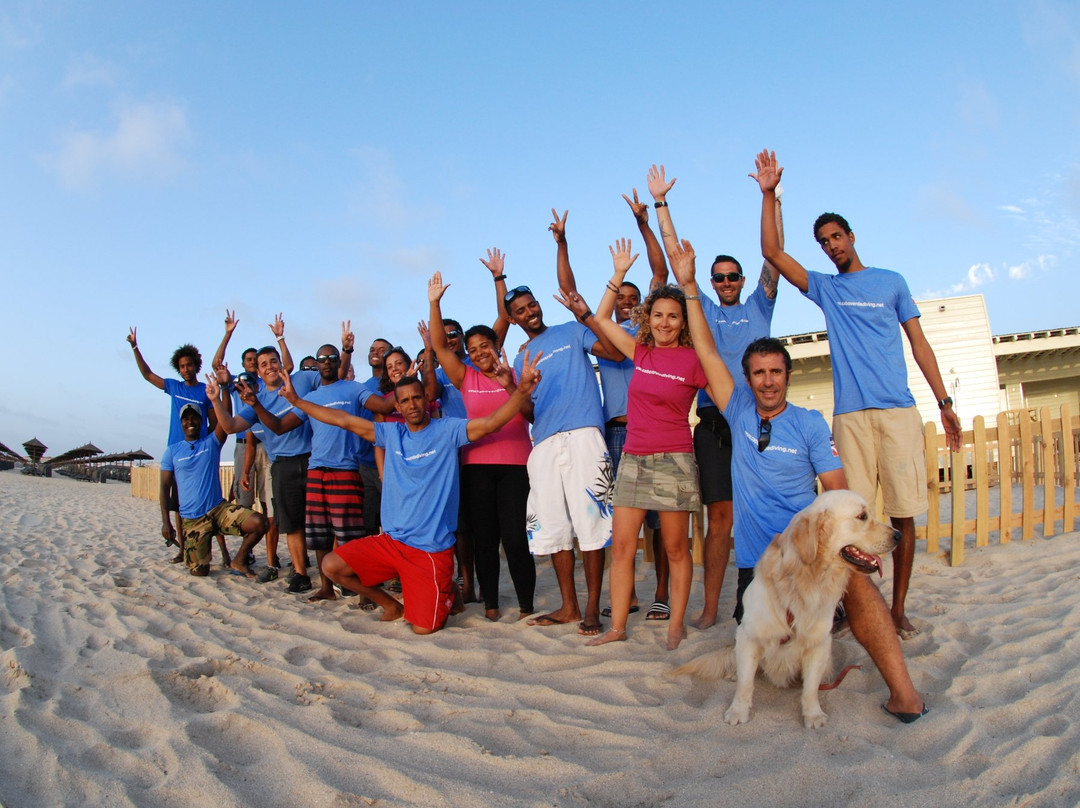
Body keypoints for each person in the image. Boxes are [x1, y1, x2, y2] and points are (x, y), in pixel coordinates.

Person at [669, 235, 927, 721]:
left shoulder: (809, 424)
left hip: (811, 552)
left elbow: (840, 492)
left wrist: (855, 545)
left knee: (860, 590)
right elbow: (704, 348)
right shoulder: (738, 409)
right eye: (759, 372)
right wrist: (687, 286)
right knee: (764, 644)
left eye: (776, 372)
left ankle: (904, 694)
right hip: (762, 561)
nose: (767, 380)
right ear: (746, 379)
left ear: (788, 375)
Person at [752, 148, 963, 638]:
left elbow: (920, 343)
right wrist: (768, 195)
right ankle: (853, 607)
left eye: (836, 237)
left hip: (898, 412)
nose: (831, 246)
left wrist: (944, 404)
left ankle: (899, 607)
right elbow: (772, 254)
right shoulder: (827, 288)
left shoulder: (891, 282)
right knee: (853, 521)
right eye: (823, 242)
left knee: (905, 514)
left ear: (851, 236)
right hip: (850, 417)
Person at [278, 355, 542, 635]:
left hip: (430, 548)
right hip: (393, 542)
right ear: (397, 406)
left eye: (416, 398)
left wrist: (522, 391)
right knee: (332, 565)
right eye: (404, 401)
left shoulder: (448, 429)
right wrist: (297, 402)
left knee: (423, 629)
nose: (411, 405)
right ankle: (391, 605)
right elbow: (343, 420)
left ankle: (446, 590)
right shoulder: (391, 434)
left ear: (426, 398)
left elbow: (489, 424)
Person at [647, 162, 784, 630]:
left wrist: (772, 197)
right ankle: (711, 608)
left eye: (732, 277)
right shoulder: (701, 307)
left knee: (767, 510)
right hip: (714, 423)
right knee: (720, 518)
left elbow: (775, 254)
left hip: (761, 419)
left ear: (743, 281)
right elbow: (675, 255)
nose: (725, 283)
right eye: (718, 277)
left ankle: (771, 602)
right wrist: (662, 204)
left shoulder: (759, 305)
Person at [505, 209, 624, 636]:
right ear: (514, 319)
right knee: (555, 527)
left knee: (592, 521)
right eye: (520, 310)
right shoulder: (520, 358)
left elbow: (613, 353)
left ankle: (592, 607)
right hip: (544, 445)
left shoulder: (572, 332)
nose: (529, 311)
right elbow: (530, 413)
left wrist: (562, 242)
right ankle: (568, 606)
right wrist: (514, 386)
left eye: (531, 303)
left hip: (585, 437)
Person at [585, 240, 708, 651]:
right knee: (622, 549)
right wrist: (617, 274)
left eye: (673, 316)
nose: (665, 323)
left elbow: (725, 394)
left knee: (675, 548)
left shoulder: (694, 359)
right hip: (633, 459)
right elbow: (601, 317)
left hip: (675, 459)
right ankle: (617, 626)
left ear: (683, 321)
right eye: (658, 315)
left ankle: (676, 624)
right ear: (648, 319)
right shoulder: (640, 353)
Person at [429, 269, 536, 621]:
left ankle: (525, 605)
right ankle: (491, 602)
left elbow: (531, 414)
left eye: (484, 347)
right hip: (476, 467)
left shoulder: (518, 370)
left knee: (516, 539)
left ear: (496, 345)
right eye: (472, 350)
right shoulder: (465, 377)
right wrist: (435, 303)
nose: (478, 354)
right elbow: (440, 346)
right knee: (485, 539)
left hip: (516, 465)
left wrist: (510, 385)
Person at [233, 344, 371, 602]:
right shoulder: (259, 399)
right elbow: (238, 426)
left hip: (313, 460)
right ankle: (304, 575)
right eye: (263, 365)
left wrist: (346, 351)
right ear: (258, 373)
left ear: (283, 363)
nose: (270, 367)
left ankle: (338, 576)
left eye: (273, 361)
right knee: (296, 525)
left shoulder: (304, 380)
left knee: (333, 525)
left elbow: (335, 374)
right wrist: (217, 399)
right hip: (283, 464)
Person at [127, 327, 219, 564]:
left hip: (198, 453)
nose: (186, 369)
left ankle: (215, 549)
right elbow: (147, 375)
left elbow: (215, 422)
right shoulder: (174, 387)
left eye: (189, 365)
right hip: (176, 453)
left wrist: (203, 444)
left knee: (206, 501)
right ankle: (183, 549)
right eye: (181, 366)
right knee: (178, 503)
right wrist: (135, 347)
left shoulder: (204, 391)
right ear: (178, 369)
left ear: (196, 365)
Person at [160, 403, 267, 578]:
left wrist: (223, 390)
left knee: (259, 523)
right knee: (200, 572)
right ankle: (203, 550)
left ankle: (238, 560)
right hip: (193, 520)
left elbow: (226, 420)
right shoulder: (172, 451)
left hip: (218, 511)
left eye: (194, 417)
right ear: (181, 423)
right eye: (186, 418)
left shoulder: (212, 442)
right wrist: (166, 521)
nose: (190, 421)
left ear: (202, 421)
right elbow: (164, 488)